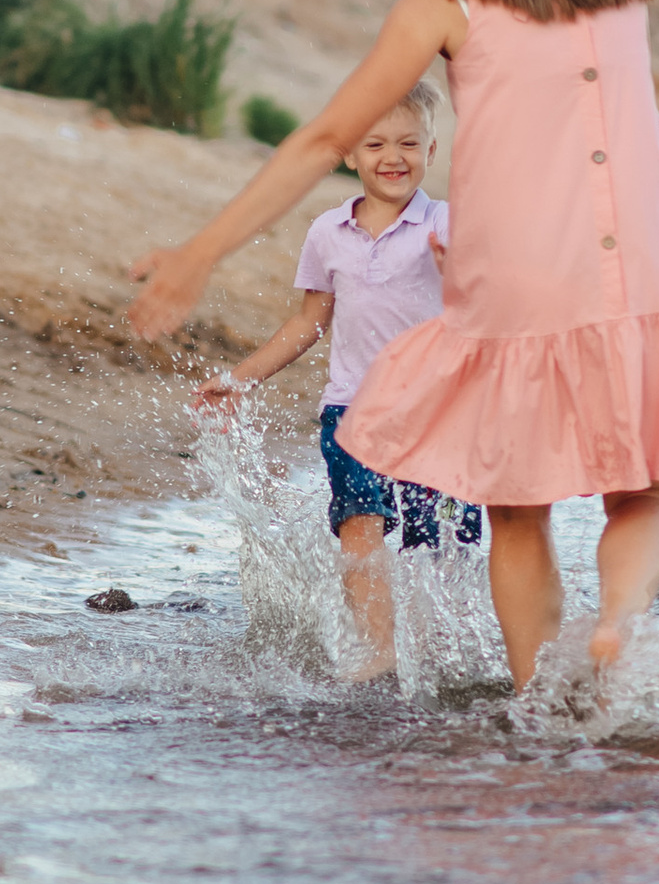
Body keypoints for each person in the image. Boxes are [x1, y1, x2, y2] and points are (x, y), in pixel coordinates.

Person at [132, 0, 659, 688]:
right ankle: (617, 621)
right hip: (651, 265)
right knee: (645, 492)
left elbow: (325, 140)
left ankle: (539, 700)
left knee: (520, 512)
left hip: (522, 278)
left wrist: (200, 254)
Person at [192, 82, 481, 675]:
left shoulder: (448, 224)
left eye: (408, 143)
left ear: (432, 150)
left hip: (441, 413)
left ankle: (442, 657)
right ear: (350, 153)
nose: (392, 156)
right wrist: (241, 378)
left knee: (440, 542)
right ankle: (379, 653)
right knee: (359, 521)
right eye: (375, 144)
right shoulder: (328, 232)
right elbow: (307, 322)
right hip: (354, 408)